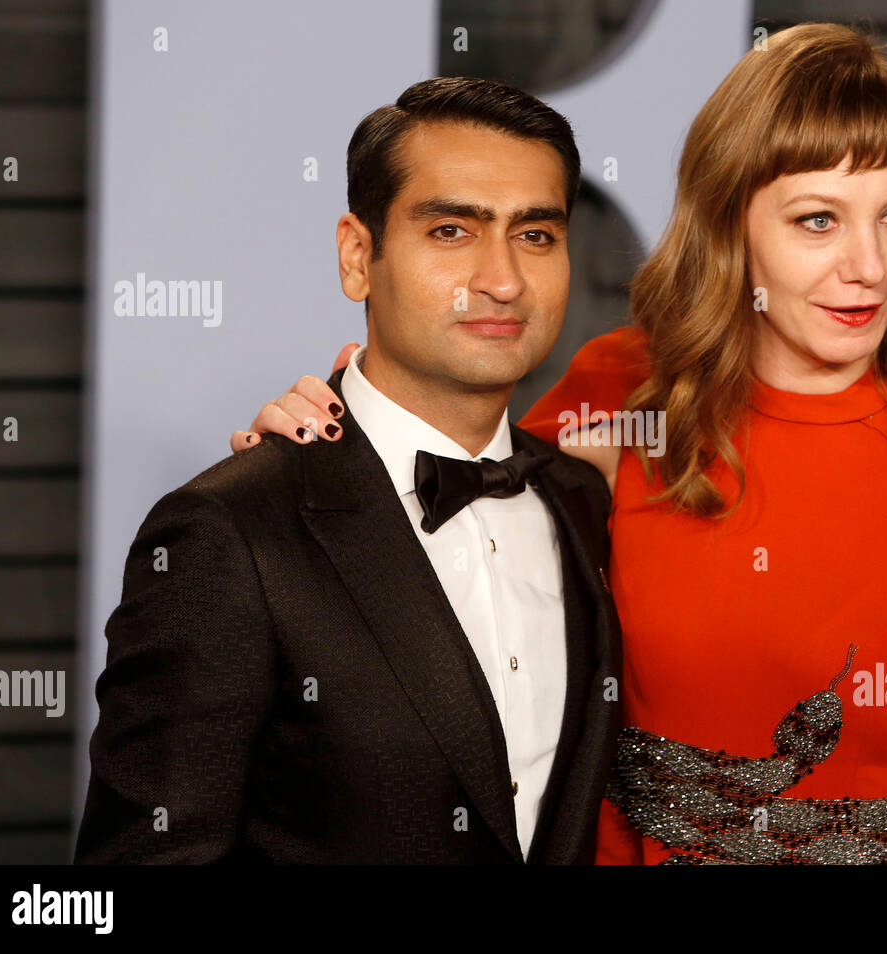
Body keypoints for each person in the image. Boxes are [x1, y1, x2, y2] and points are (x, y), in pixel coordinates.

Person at [233, 24, 887, 864]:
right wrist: (320, 444)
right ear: (730, 223)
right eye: (818, 220)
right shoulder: (623, 394)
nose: (871, 265)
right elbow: (442, 514)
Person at [75, 77, 621, 864]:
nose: (503, 280)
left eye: (536, 235)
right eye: (451, 232)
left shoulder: (588, 501)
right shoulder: (229, 532)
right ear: (359, 257)